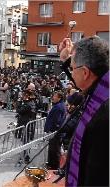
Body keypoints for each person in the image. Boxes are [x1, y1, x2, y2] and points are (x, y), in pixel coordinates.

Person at [59, 36, 109, 186]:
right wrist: (67, 58)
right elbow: (81, 79)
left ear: (86, 72)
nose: (71, 74)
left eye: (72, 68)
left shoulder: (104, 116)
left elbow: (97, 174)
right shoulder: (101, 86)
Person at [44, 91, 66, 170]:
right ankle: (51, 165)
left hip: (55, 133)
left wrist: (51, 130)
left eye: (55, 96)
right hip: (54, 133)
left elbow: (57, 121)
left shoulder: (59, 107)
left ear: (59, 98)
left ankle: (54, 167)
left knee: (55, 150)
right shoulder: (58, 105)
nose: (53, 97)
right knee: (52, 149)